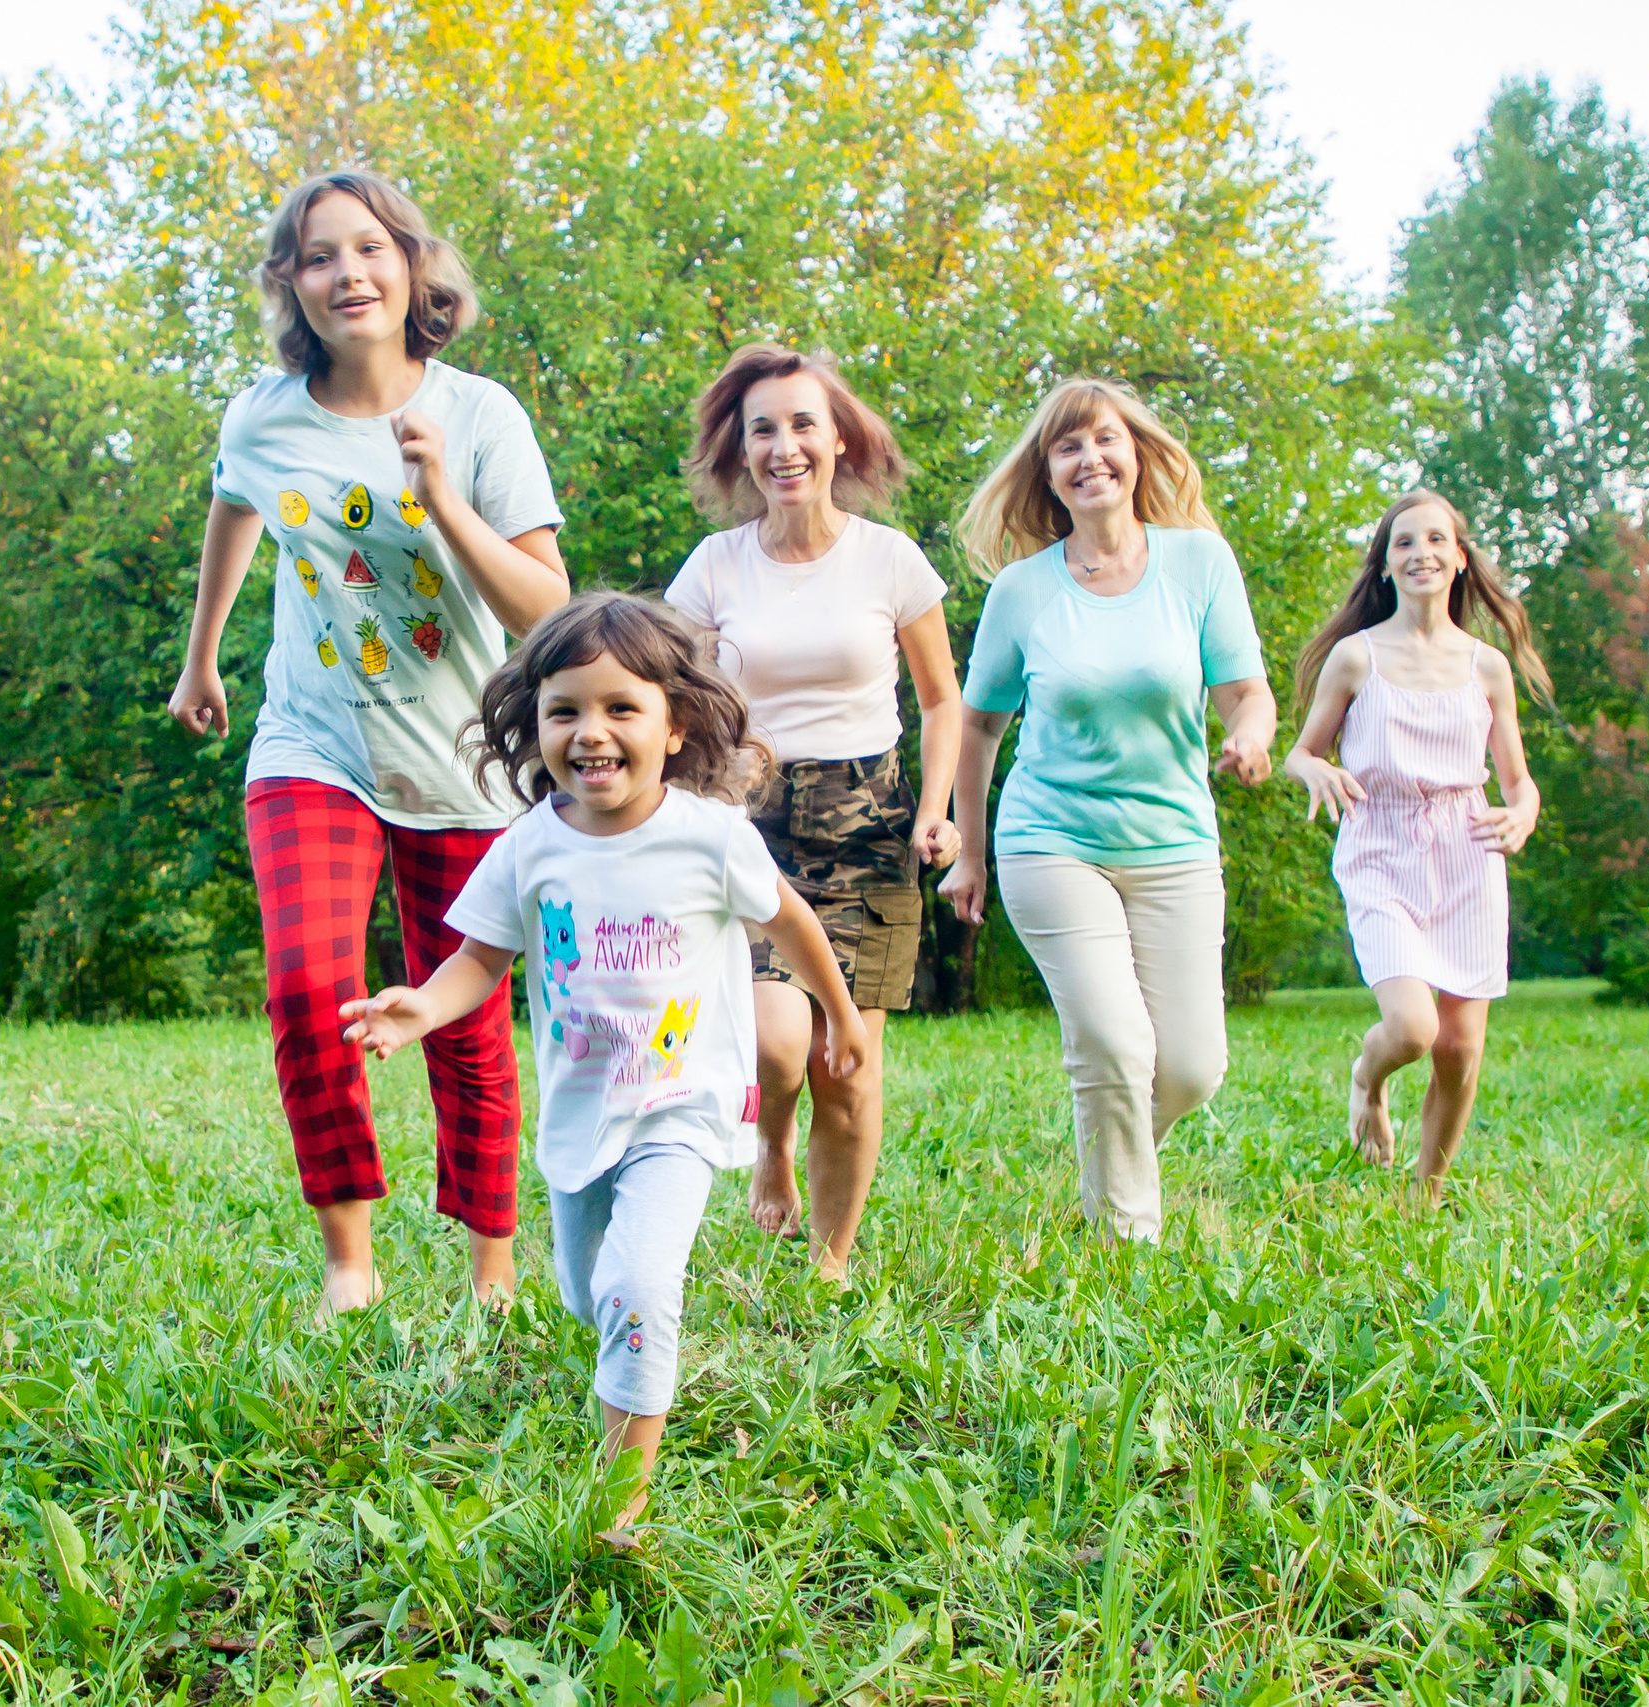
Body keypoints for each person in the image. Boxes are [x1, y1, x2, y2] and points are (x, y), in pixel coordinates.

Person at [342, 593, 864, 1535]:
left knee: (636, 1285)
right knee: (588, 1293)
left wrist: (839, 1012)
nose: (592, 732)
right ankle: (627, 1350)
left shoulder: (708, 837)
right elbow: (479, 961)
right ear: (534, 724)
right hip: (580, 1118)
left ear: (674, 725)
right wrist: (421, 1006)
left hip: (681, 1106)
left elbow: (789, 918)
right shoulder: (528, 847)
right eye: (565, 710)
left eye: (622, 707)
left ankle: (622, 1500)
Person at [168, 170, 570, 1321]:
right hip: (313, 742)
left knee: (469, 1020)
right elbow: (234, 504)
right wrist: (203, 656)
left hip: (460, 755)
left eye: (369, 248)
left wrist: (443, 497)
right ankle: (350, 1250)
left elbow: (547, 605)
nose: (347, 273)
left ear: (410, 265)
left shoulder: (482, 415)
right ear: (291, 284)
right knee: (305, 984)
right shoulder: (262, 412)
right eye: (317, 255)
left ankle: (492, 1262)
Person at [939, 377, 1277, 1242]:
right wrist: (971, 854)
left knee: (1195, 1066)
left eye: (1105, 440)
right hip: (1052, 842)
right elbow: (977, 728)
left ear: (1137, 455)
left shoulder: (1199, 561)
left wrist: (1250, 735)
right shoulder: (1024, 590)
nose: (1090, 458)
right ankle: (1126, 1248)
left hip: (1175, 841)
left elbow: (1248, 692)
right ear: (1047, 475)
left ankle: (1110, 1170)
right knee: (1115, 1044)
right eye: (1068, 447)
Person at [664, 343, 961, 1285]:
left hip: (867, 820)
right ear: (741, 451)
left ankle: (832, 1257)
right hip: (747, 821)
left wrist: (937, 813)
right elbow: (675, 693)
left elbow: (942, 699)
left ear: (838, 437)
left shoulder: (891, 561)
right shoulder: (713, 568)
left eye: (803, 423)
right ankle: (772, 1140)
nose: (784, 444)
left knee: (849, 1057)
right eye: (763, 429)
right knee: (777, 1038)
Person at [1283, 490, 1547, 1201]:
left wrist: (1520, 815)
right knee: (1411, 1026)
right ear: (1387, 566)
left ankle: (1425, 1197)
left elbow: (1520, 784)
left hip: (1467, 850)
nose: (1421, 552)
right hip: (1381, 846)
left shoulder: (1486, 667)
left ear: (1459, 559)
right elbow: (1300, 753)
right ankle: (1367, 1082)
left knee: (1460, 1047)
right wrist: (1320, 772)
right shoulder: (1356, 657)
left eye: (1436, 540)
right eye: (1404, 542)